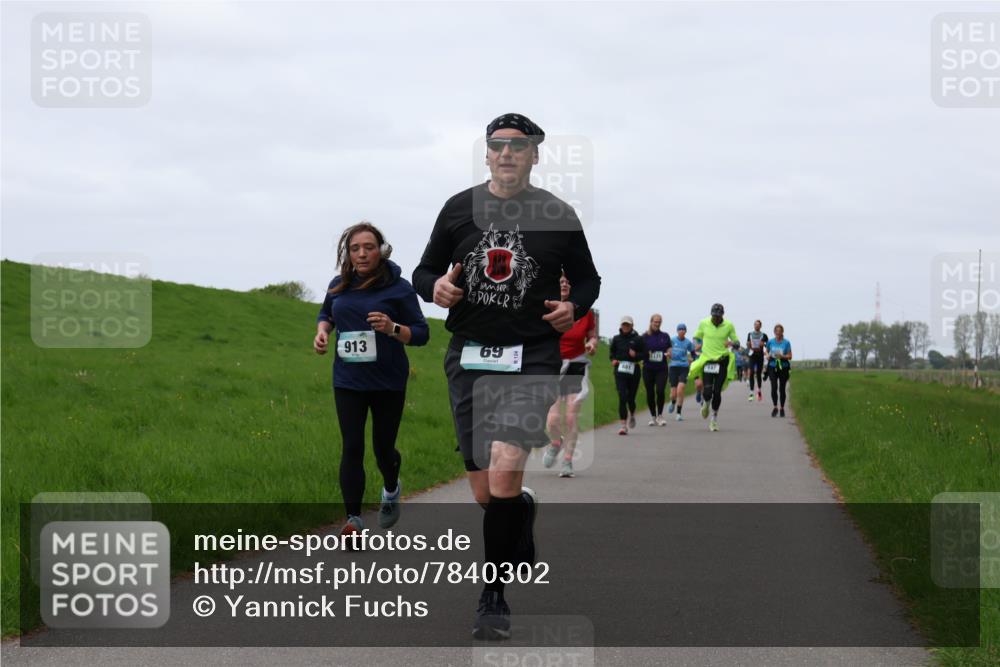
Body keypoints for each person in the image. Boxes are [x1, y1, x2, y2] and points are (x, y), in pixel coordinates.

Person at [412, 113, 601, 640]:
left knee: (504, 468)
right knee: (486, 493)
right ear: (487, 153)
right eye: (498, 145)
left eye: (519, 146)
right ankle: (520, 510)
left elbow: (588, 279)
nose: (507, 153)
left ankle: (492, 598)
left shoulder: (558, 214)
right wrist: (435, 289)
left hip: (531, 357)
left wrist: (574, 306)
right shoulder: (458, 208)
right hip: (469, 358)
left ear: (535, 155)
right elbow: (424, 271)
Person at [314, 222, 429, 537]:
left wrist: (393, 328)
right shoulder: (339, 285)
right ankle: (353, 520)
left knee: (383, 449)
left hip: (387, 381)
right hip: (348, 379)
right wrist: (322, 333)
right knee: (352, 446)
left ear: (381, 250)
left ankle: (391, 488)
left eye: (368, 247)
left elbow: (422, 333)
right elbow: (326, 315)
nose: (362, 254)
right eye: (355, 249)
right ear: (347, 253)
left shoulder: (399, 288)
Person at [543, 273, 598, 478]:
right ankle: (555, 443)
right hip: (554, 365)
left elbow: (592, 335)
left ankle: (567, 461)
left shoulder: (584, 311)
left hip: (576, 365)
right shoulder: (547, 306)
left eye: (568, 282)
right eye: (561, 282)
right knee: (553, 420)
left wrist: (591, 343)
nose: (565, 284)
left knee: (570, 417)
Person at [689, 303, 740, 432]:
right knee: (707, 391)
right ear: (711, 314)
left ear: (722, 315)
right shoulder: (704, 323)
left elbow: (737, 343)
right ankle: (706, 404)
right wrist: (697, 345)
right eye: (714, 316)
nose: (716, 318)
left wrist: (732, 343)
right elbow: (696, 337)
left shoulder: (729, 325)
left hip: (722, 360)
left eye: (718, 316)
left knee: (717, 391)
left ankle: (714, 419)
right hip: (708, 360)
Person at [610, 316, 645, 435]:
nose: (625, 327)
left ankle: (632, 414)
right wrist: (613, 360)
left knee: (631, 398)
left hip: (634, 371)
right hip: (620, 371)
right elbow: (612, 352)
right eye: (624, 324)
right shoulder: (616, 339)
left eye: (628, 325)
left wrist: (636, 355)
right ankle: (623, 426)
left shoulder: (638, 339)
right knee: (622, 396)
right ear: (621, 326)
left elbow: (645, 355)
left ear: (632, 326)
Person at [642, 314, 672, 426]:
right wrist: (646, 353)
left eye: (659, 322)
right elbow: (640, 350)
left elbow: (669, 348)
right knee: (650, 393)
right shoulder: (645, 336)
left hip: (661, 369)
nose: (657, 324)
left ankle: (660, 415)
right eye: (655, 322)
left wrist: (669, 352)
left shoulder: (665, 336)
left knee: (660, 390)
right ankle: (653, 416)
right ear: (651, 322)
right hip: (648, 369)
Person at [667, 323, 696, 421]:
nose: (682, 331)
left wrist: (692, 359)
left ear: (685, 331)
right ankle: (672, 402)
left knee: (680, 389)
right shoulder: (672, 340)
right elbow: (667, 350)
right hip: (673, 367)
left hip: (684, 367)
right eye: (680, 329)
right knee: (673, 394)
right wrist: (668, 354)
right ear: (677, 331)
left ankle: (678, 413)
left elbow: (693, 353)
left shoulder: (688, 342)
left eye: (683, 329)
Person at [766, 323, 793, 417]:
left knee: (782, 388)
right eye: (776, 331)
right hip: (773, 365)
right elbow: (766, 351)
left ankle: (782, 408)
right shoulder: (770, 341)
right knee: (774, 387)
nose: (778, 333)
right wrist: (767, 355)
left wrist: (782, 356)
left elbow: (790, 356)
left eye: (780, 331)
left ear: (782, 332)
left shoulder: (786, 342)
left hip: (783, 366)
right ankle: (775, 407)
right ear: (774, 332)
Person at [746, 320, 769, 402]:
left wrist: (764, 344)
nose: (756, 326)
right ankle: (751, 392)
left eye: (758, 325)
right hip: (752, 355)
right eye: (755, 324)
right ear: (754, 325)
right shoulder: (750, 334)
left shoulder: (764, 335)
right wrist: (748, 345)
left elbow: (768, 345)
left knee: (758, 373)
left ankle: (759, 391)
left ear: (760, 326)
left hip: (760, 355)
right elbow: (748, 344)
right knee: (751, 372)